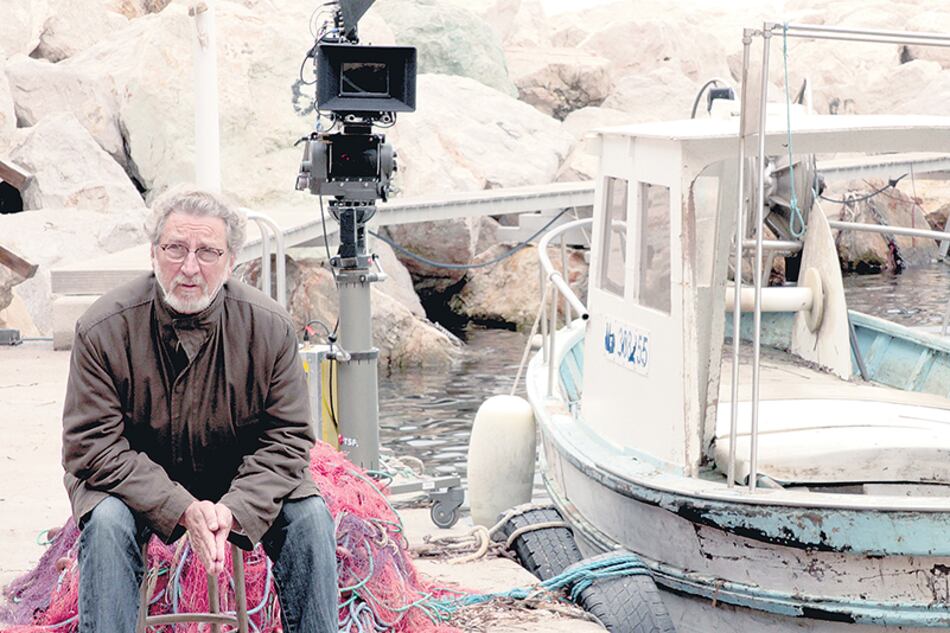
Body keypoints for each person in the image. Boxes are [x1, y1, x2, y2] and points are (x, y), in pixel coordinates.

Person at [61, 186, 337, 633]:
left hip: (238, 472)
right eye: (176, 248)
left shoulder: (270, 327)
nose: (189, 267)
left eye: (207, 252)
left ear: (231, 262)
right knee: (107, 522)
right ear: (153, 252)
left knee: (309, 517)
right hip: (131, 481)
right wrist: (180, 506)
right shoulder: (103, 327)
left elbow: (288, 440)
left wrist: (236, 507)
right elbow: (90, 447)